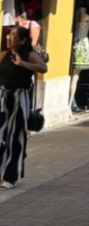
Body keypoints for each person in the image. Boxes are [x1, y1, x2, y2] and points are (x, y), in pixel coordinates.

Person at [0, 26, 48, 189]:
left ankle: (10, 177)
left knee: (16, 138)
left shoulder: (30, 55)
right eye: (9, 35)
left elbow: (43, 68)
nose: (9, 38)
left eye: (13, 36)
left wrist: (23, 63)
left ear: (22, 40)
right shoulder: (4, 55)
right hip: (4, 99)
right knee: (1, 136)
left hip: (20, 99)